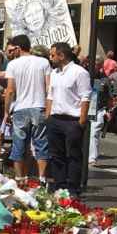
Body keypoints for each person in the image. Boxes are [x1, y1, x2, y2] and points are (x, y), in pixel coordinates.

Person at [44, 42, 92, 193]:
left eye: (52, 55)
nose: (50, 58)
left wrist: (81, 121)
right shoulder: (54, 73)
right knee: (56, 155)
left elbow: (86, 96)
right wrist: (48, 117)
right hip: (55, 119)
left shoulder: (79, 72)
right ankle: (60, 186)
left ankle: (73, 188)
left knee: (73, 155)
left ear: (61, 55)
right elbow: (50, 95)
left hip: (72, 120)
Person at [3, 36, 50, 179]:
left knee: (19, 145)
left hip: (20, 108)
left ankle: (19, 178)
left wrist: (6, 112)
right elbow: (49, 88)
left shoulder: (13, 64)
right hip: (39, 106)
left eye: (13, 49)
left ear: (18, 48)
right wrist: (49, 109)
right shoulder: (44, 62)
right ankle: (41, 178)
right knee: (41, 144)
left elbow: (10, 90)